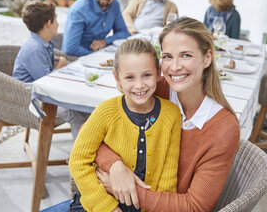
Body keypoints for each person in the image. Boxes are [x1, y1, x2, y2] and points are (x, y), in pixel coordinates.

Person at [94, 17, 240, 211]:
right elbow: (98, 136)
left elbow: (194, 207)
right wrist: (115, 165)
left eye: (186, 55)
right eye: (167, 56)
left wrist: (124, 189)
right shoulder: (153, 90)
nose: (174, 66)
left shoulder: (223, 129)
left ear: (207, 58)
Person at [68, 39, 182, 212]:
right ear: (117, 78)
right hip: (101, 205)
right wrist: (106, 207)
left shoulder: (171, 115)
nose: (139, 85)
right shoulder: (105, 111)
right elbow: (78, 160)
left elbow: (168, 176)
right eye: (129, 77)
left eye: (147, 75)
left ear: (158, 73)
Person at [13, 0, 89, 138]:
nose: (58, 24)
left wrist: (60, 62)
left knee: (86, 107)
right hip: (32, 100)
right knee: (75, 113)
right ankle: (81, 156)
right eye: (55, 20)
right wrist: (62, 63)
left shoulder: (44, 43)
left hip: (44, 94)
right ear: (48, 23)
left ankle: (93, 146)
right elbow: (46, 82)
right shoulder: (35, 49)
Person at [62, 0, 130, 57]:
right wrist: (97, 56)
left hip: (97, 56)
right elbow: (70, 48)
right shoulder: (80, 9)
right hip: (74, 58)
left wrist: (105, 41)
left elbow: (124, 33)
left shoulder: (114, 5)